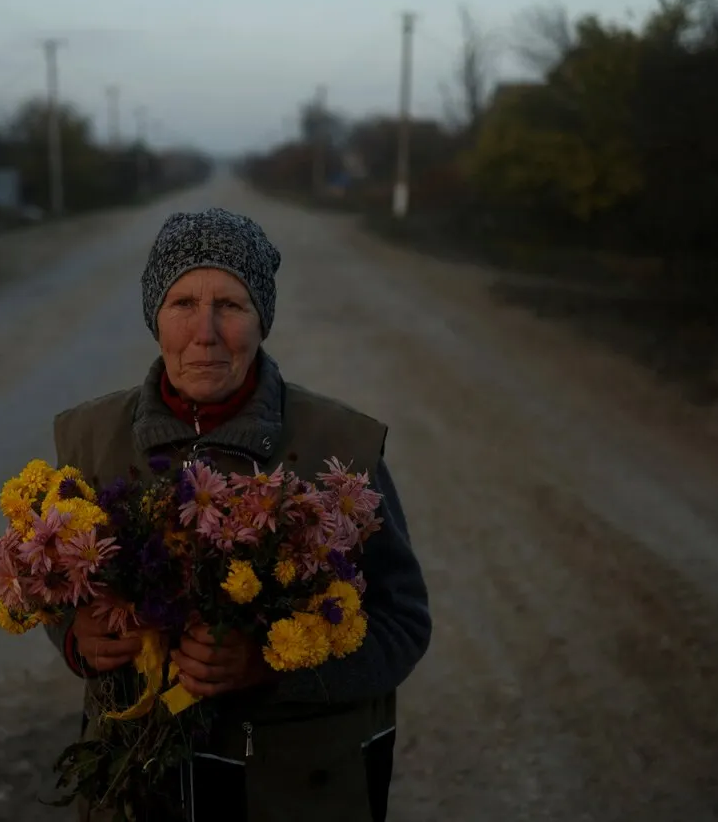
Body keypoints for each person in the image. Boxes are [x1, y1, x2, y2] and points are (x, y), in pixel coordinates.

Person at [45, 207, 431, 822]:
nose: (205, 332)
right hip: (137, 790)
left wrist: (272, 666)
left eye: (230, 304)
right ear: (154, 318)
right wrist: (76, 637)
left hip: (290, 789)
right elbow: (58, 590)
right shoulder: (90, 441)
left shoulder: (341, 447)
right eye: (182, 305)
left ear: (261, 322)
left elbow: (402, 625)